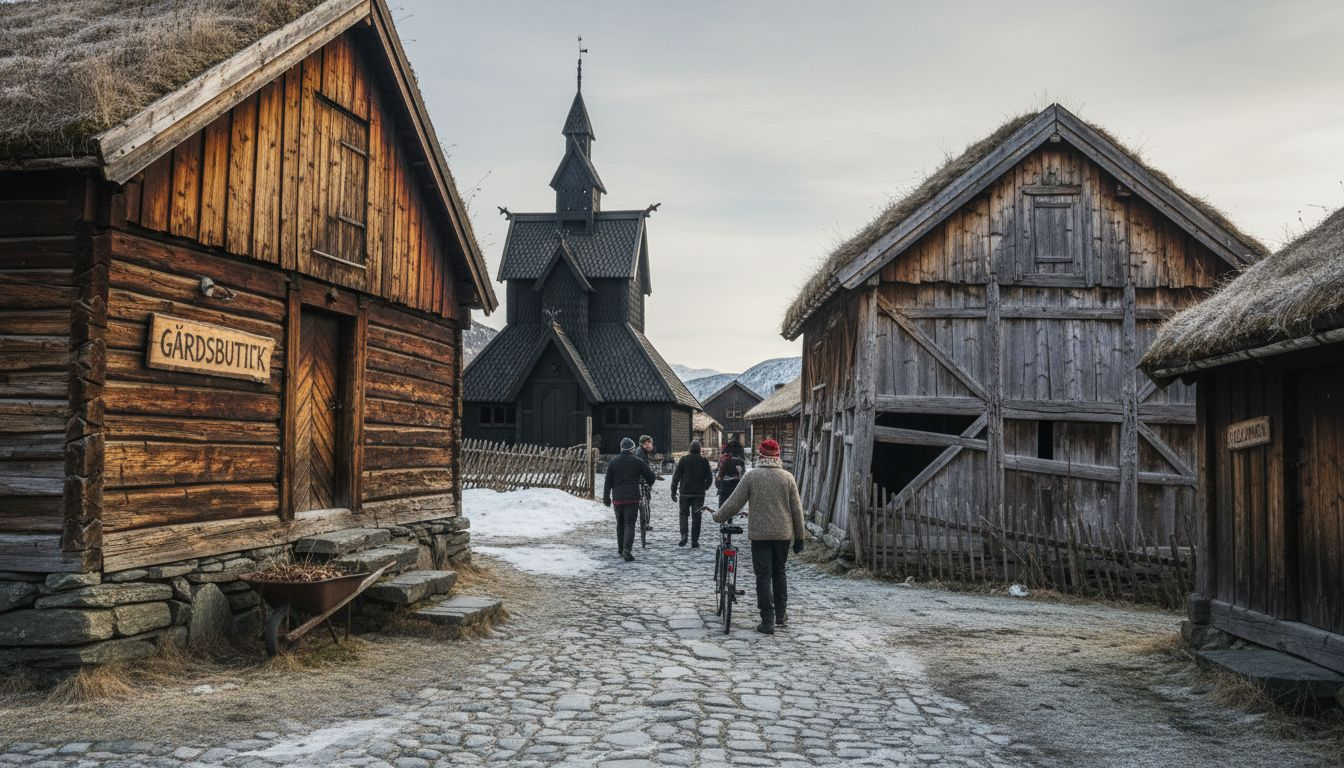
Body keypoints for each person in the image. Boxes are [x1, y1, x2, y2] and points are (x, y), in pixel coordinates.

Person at [712, 438, 805, 635]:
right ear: (778, 456)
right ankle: (781, 614)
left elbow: (734, 502)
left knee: (763, 575)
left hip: (760, 535)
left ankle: (767, 619)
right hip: (783, 534)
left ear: (760, 456)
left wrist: (718, 516)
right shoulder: (787, 477)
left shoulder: (752, 476)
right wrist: (800, 537)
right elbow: (797, 510)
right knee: (779, 572)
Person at [603, 437, 656, 562]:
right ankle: (627, 550)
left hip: (618, 499)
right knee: (629, 524)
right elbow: (650, 476)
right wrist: (648, 481)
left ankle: (621, 549)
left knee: (620, 524)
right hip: (632, 498)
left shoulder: (613, 462)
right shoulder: (637, 461)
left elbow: (607, 482)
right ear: (632, 449)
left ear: (621, 449)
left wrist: (606, 498)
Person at [670, 440, 714, 547]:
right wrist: (705, 487)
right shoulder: (704, 461)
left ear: (689, 449)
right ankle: (694, 541)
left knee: (683, 515)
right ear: (699, 450)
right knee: (697, 516)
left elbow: (676, 477)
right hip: (699, 494)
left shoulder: (684, 460)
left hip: (685, 492)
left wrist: (673, 491)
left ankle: (684, 535)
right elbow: (709, 477)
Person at [715, 439, 746, 506]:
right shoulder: (741, 461)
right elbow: (743, 476)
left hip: (724, 489)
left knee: (723, 511)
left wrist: (719, 485)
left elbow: (719, 475)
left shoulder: (723, 459)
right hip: (736, 490)